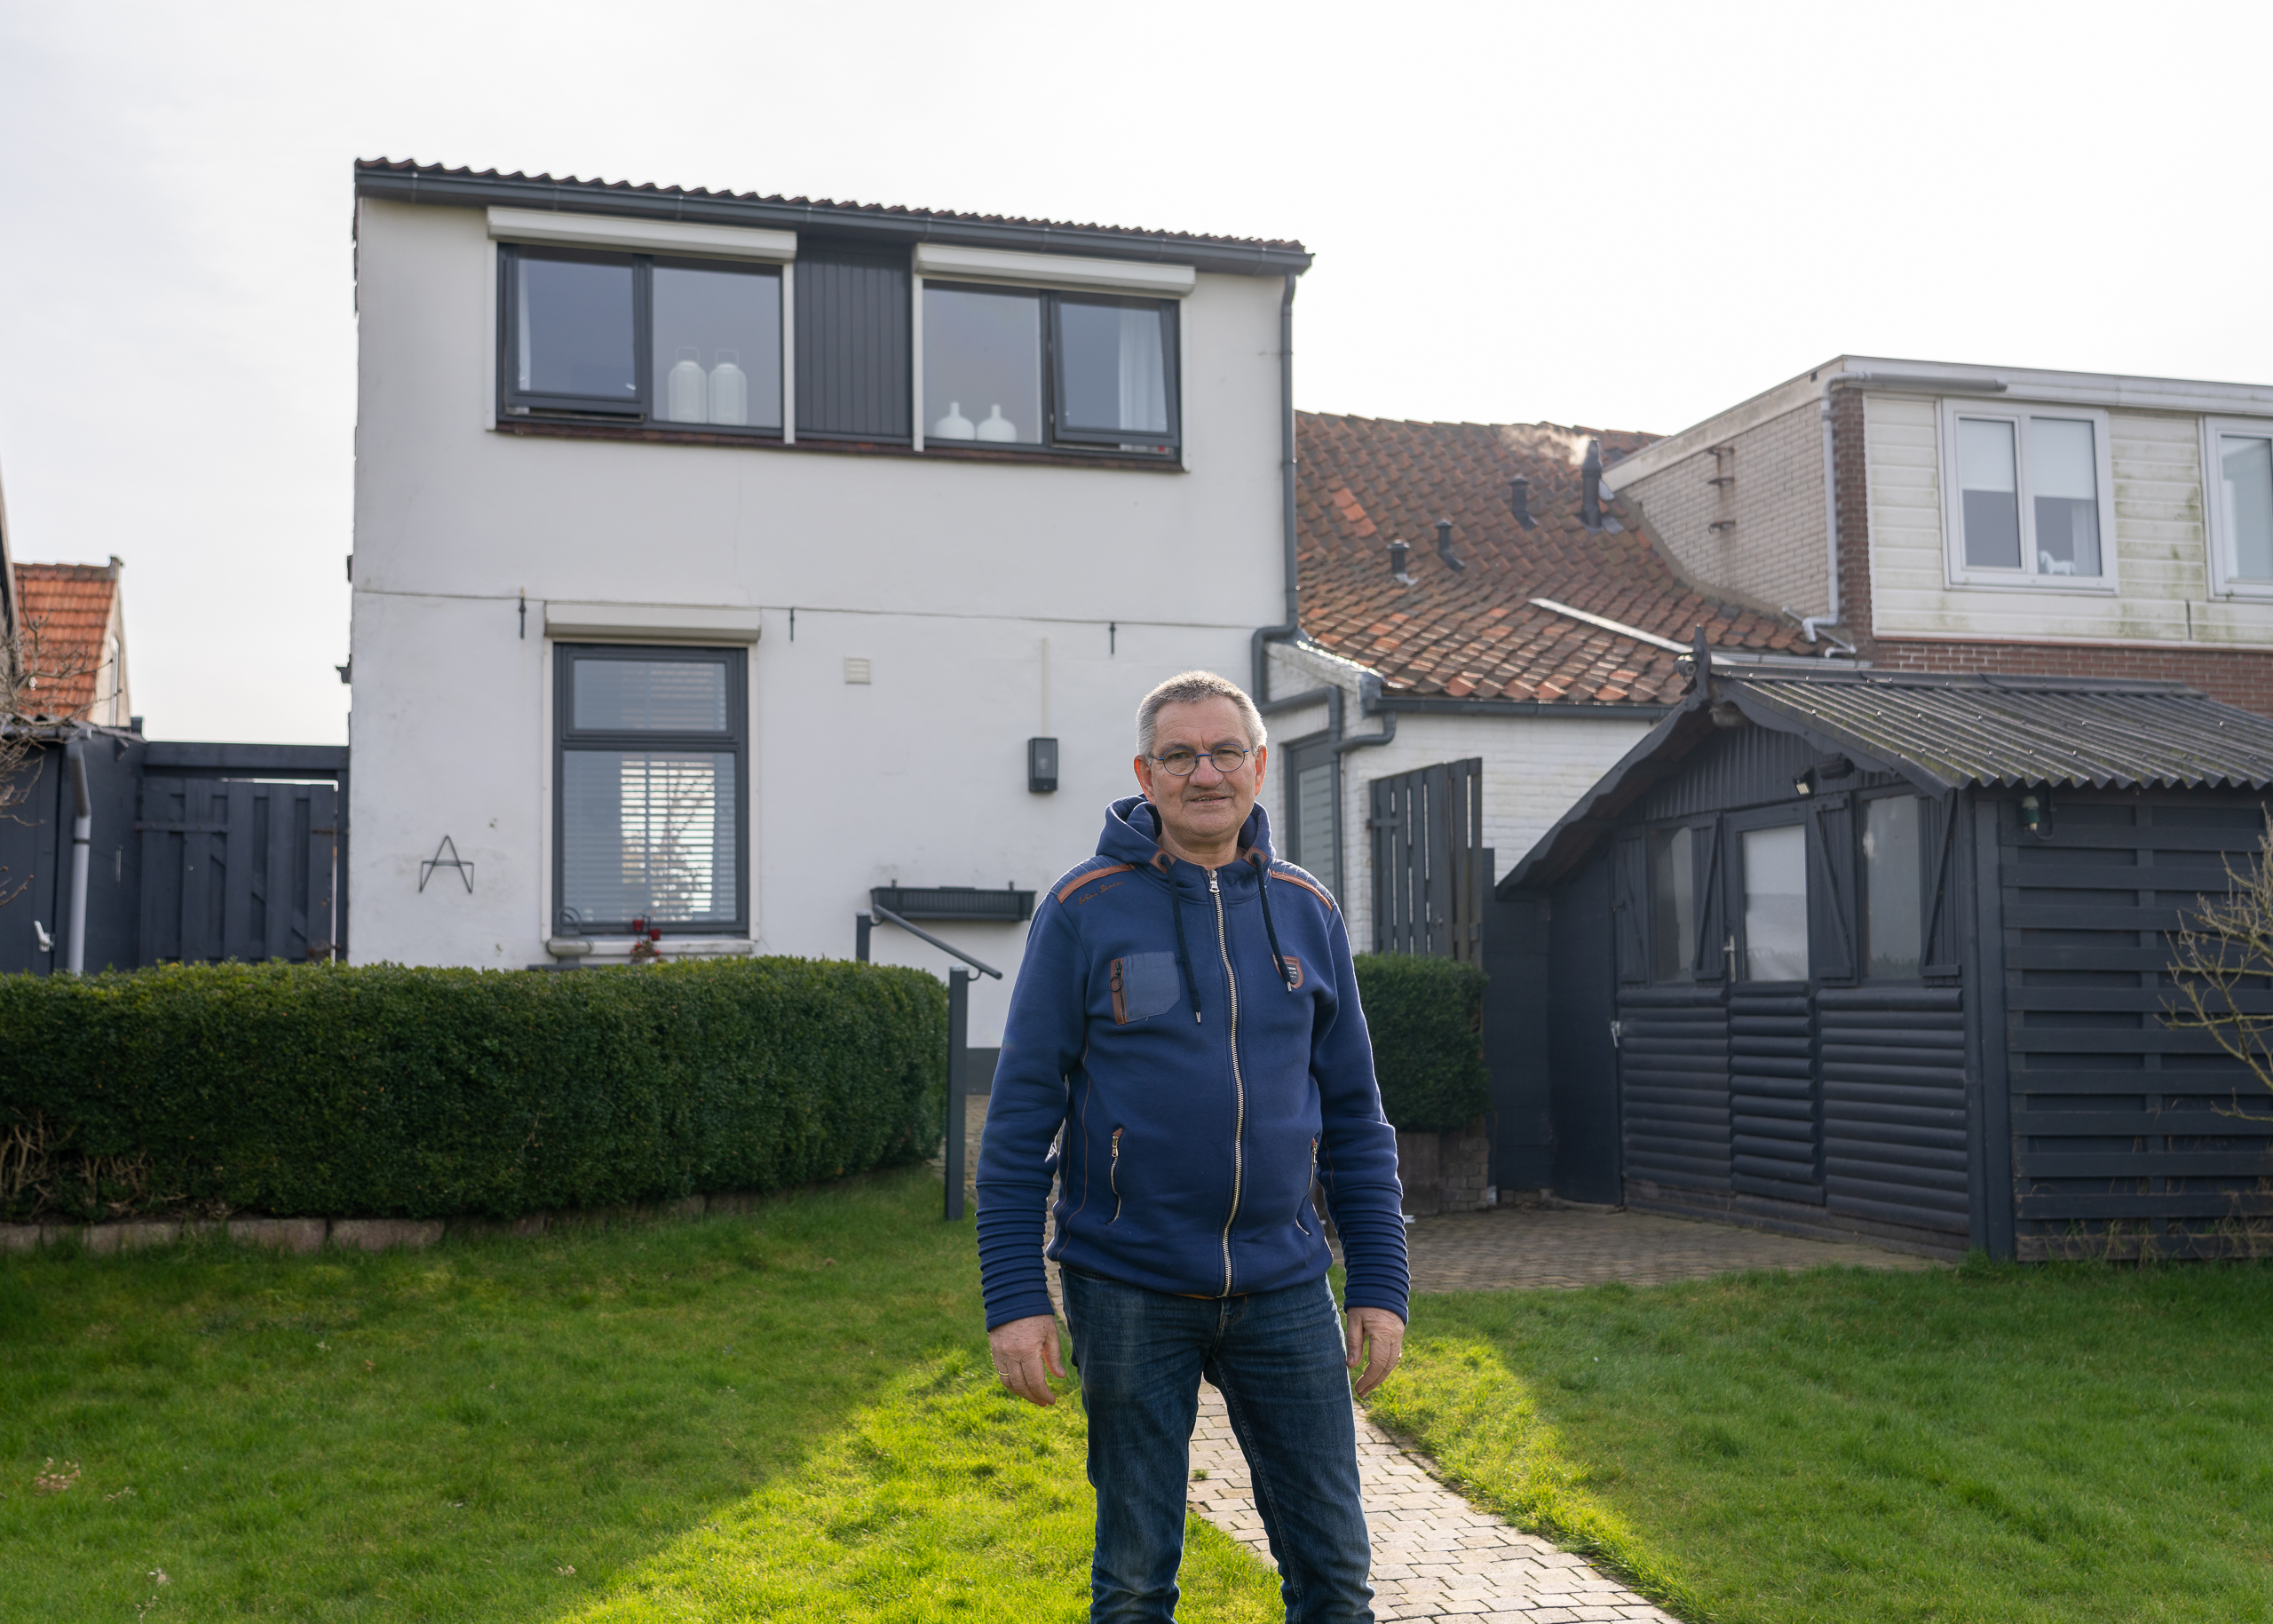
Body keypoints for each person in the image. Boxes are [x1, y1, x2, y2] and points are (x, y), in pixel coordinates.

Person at [977, 669, 1408, 1623]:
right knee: (1134, 1581)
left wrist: (1379, 1281)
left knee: (1336, 1576)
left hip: (1284, 1284)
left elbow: (1355, 1115)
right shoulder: (1083, 908)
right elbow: (1015, 1126)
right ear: (1146, 772)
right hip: (1126, 1284)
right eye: (1179, 754)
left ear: (1259, 766)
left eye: (1223, 752)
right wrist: (1015, 1298)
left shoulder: (1308, 910)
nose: (1203, 772)